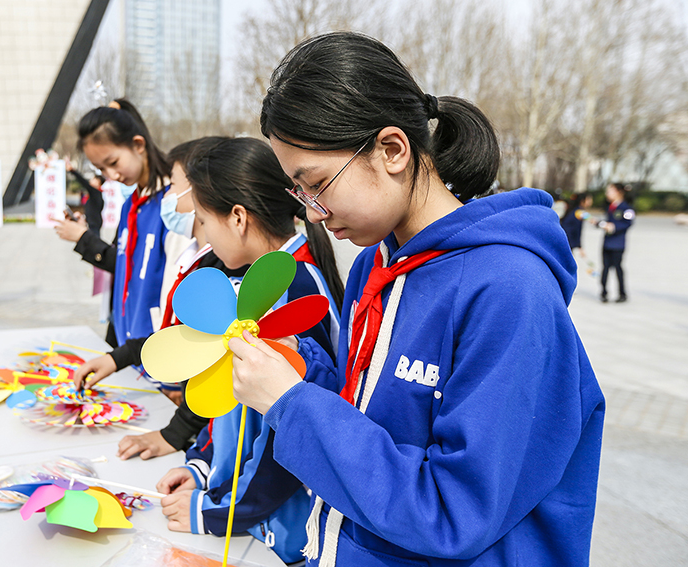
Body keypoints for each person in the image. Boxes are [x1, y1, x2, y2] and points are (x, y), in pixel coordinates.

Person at [225, 32, 605, 567]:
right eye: (298, 192)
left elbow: (455, 512)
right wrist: (295, 366)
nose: (313, 213)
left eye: (317, 184)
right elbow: (369, 417)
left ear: (392, 150)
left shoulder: (509, 290)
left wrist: (293, 406)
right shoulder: (373, 268)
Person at [156, 137, 343, 565]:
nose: (201, 234)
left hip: (278, 531)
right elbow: (228, 401)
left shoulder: (293, 288)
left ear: (238, 217)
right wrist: (203, 469)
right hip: (244, 514)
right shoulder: (252, 283)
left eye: (203, 220)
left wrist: (216, 513)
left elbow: (289, 433)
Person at [74, 137, 243, 462]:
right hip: (175, 391)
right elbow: (184, 334)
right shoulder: (201, 257)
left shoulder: (228, 271)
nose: (166, 196)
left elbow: (214, 365)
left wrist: (180, 435)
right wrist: (120, 356)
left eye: (173, 186)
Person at [54, 99, 191, 374]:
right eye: (102, 169)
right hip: (131, 351)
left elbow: (179, 293)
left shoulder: (174, 204)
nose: (111, 175)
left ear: (138, 144)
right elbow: (124, 266)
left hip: (161, 358)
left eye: (113, 162)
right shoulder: (133, 204)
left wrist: (175, 375)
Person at [599, 182, 634, 303]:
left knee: (618, 268)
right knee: (605, 268)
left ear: (618, 192)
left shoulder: (626, 208)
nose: (607, 194)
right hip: (607, 242)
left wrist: (613, 227)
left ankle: (622, 293)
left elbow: (628, 223)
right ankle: (603, 292)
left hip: (618, 244)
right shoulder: (610, 206)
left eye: (610, 191)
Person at [561, 192, 597, 277]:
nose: (590, 201)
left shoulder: (574, 210)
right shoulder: (579, 212)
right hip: (567, 241)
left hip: (565, 240)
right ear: (582, 201)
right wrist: (579, 246)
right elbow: (579, 229)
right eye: (588, 199)